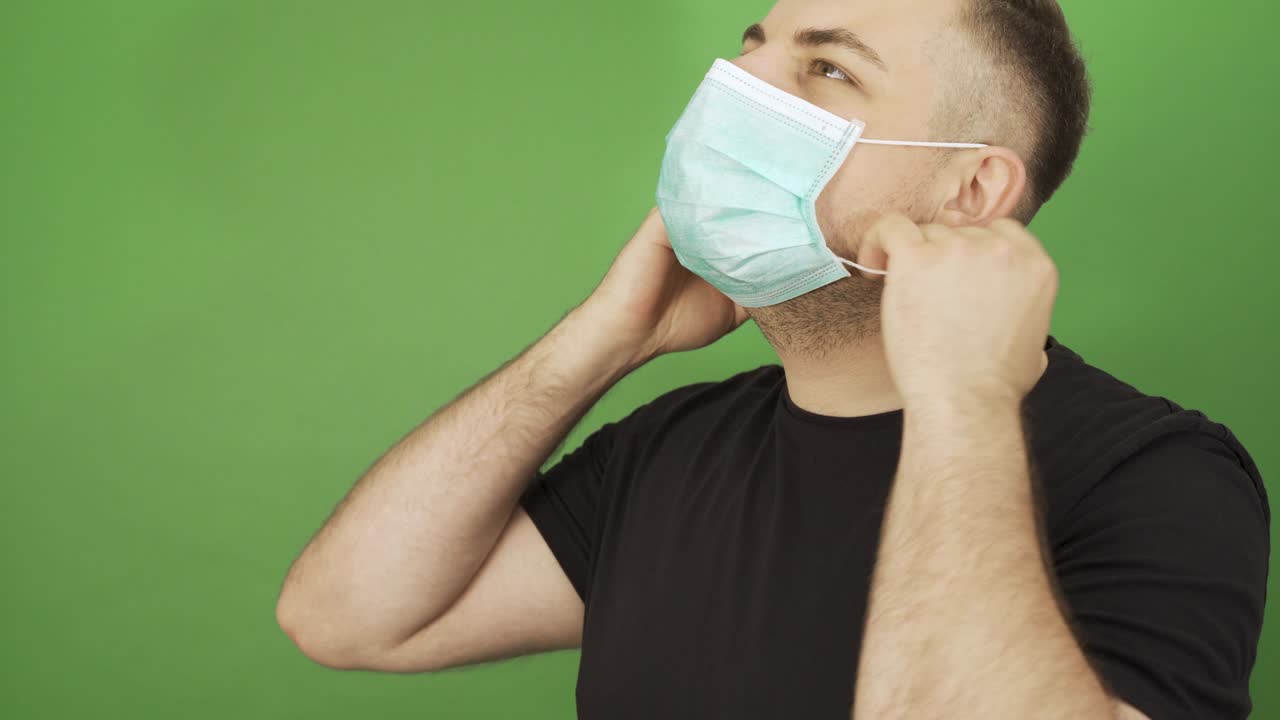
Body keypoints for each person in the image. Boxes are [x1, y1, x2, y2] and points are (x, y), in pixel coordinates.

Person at [275, 1, 1270, 718]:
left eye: (826, 69)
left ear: (969, 192)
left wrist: (965, 397)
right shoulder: (669, 447)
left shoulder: (1156, 475)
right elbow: (348, 619)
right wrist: (598, 341)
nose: (737, 89)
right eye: (751, 49)